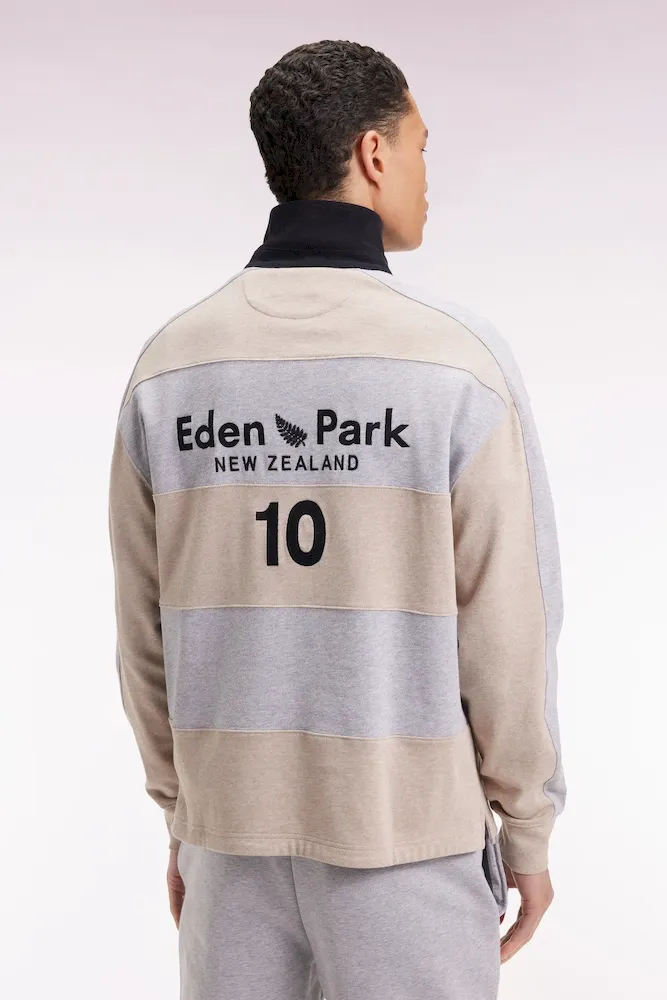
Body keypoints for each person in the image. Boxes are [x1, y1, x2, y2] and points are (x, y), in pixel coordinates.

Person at [107, 38, 566, 1000]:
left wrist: (184, 815)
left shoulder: (171, 366)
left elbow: (144, 632)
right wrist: (526, 828)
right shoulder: (455, 363)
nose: (427, 175)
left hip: (228, 847)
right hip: (406, 847)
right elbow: (509, 629)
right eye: (421, 146)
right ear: (372, 153)